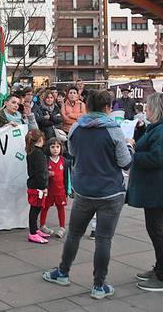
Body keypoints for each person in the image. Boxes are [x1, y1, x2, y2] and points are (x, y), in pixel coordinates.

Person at [42, 90, 134, 300]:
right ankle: (98, 285)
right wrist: (130, 146)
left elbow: (72, 154)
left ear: (88, 106)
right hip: (110, 191)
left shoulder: (76, 128)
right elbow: (125, 162)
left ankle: (63, 272)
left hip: (84, 189)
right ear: (107, 108)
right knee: (104, 239)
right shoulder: (114, 130)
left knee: (74, 234)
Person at [127, 93, 163, 293]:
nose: (146, 111)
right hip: (158, 187)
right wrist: (140, 134)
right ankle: (160, 269)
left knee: (157, 231)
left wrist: (134, 154)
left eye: (148, 108)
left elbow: (158, 158)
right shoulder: (161, 129)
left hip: (159, 188)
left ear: (158, 109)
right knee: (159, 229)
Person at [39, 138, 69, 239]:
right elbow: (41, 174)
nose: (55, 149)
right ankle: (42, 225)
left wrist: (68, 190)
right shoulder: (45, 160)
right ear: (48, 148)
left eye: (57, 147)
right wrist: (47, 174)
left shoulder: (64, 161)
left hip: (60, 191)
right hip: (49, 191)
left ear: (61, 148)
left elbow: (67, 177)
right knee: (45, 207)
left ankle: (62, 228)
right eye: (52, 147)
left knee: (61, 208)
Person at [26, 129, 50, 244]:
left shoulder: (31, 151)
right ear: (41, 139)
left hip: (34, 183)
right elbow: (41, 172)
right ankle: (33, 233)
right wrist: (44, 186)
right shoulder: (39, 154)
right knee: (35, 209)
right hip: (38, 186)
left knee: (36, 208)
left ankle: (34, 229)